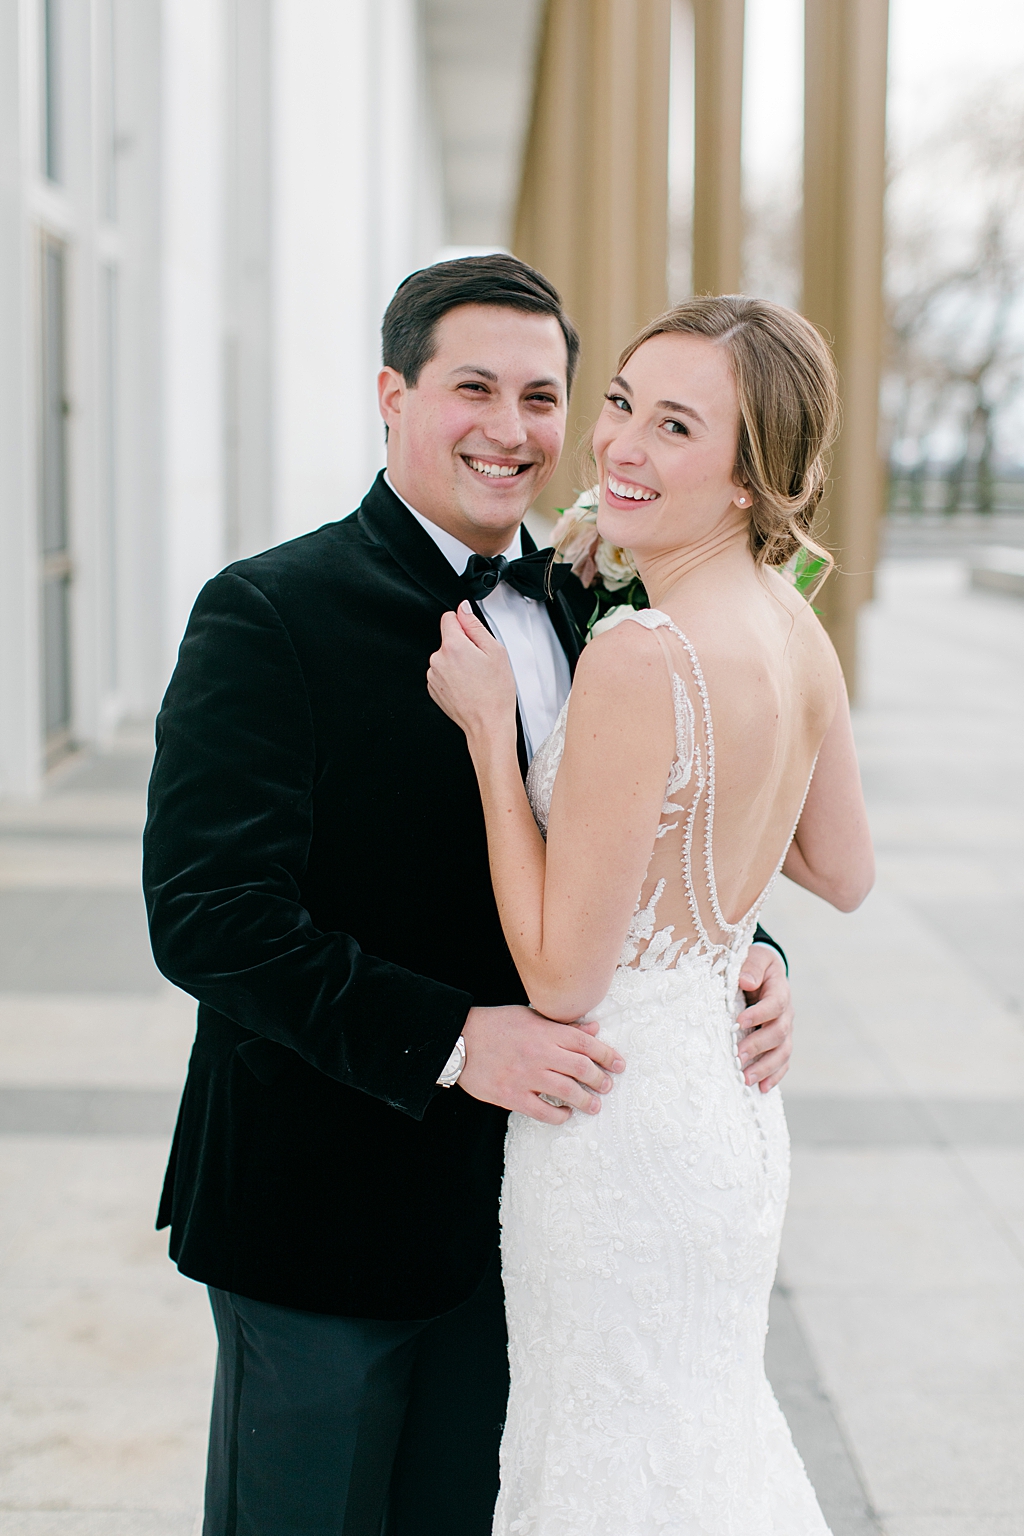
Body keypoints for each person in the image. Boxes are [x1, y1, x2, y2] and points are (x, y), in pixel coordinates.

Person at [143, 257, 796, 1536]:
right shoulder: (269, 611)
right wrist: (451, 1039)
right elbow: (210, 913)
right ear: (392, 396)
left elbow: (631, 840)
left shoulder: (590, 598)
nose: (513, 429)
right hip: (323, 1222)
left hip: (527, 1228)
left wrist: (747, 951)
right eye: (474, 388)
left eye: (544, 396)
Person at [426, 294, 874, 1534]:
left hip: (613, 1112)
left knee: (603, 1452)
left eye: (675, 427)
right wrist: (716, 904)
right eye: (620, 403)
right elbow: (841, 869)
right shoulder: (795, 627)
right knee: (699, 1427)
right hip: (724, 1111)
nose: (619, 445)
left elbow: (564, 979)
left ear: (745, 479)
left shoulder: (641, 655)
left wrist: (487, 740)